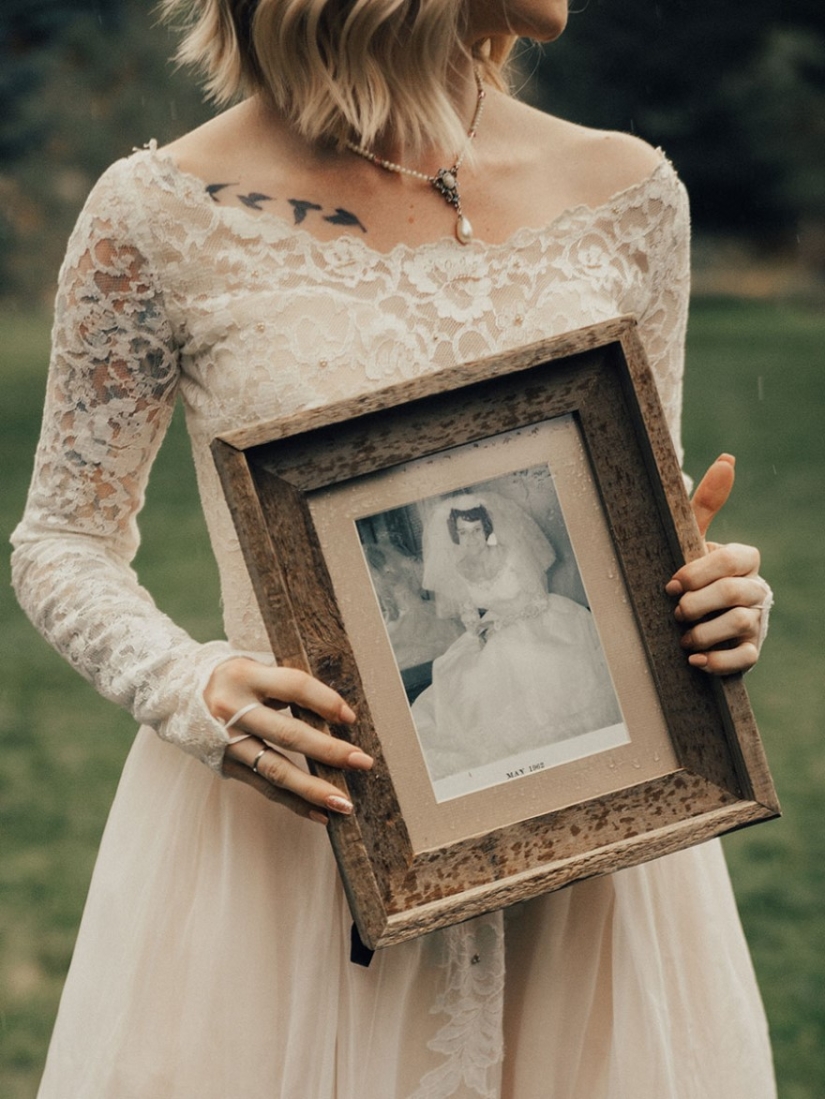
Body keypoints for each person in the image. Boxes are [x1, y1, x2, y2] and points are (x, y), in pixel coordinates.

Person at [10, 0, 776, 1094]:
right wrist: (194, 686)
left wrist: (711, 601)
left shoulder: (632, 195)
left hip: (592, 861)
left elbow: (635, 503)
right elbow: (62, 538)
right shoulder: (159, 213)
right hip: (298, 848)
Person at [411, 494, 622, 783]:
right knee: (468, 677)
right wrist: (478, 632)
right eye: (463, 533)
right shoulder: (459, 569)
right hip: (494, 626)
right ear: (455, 536)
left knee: (521, 655)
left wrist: (502, 627)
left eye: (476, 530)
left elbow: (537, 601)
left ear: (486, 529)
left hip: (536, 618)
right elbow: (469, 615)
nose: (471, 539)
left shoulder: (512, 553)